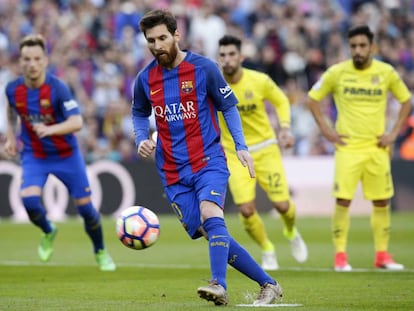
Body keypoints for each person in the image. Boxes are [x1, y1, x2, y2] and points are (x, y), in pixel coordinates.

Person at [132, 9, 283, 306]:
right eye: (151, 41)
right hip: (172, 172)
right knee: (210, 230)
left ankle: (218, 285)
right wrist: (141, 139)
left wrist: (241, 146)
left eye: (163, 38)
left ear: (177, 35)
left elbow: (228, 106)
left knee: (211, 214)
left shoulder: (204, 68)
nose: (157, 45)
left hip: (208, 160)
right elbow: (138, 112)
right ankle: (268, 283)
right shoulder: (145, 78)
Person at [4, 34, 116, 271]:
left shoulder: (57, 88)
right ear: (20, 61)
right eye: (26, 59)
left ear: (45, 60)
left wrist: (50, 129)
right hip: (35, 155)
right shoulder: (13, 89)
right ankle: (48, 230)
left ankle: (101, 251)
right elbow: (11, 109)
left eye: (36, 58)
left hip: (66, 155)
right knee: (30, 201)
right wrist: (11, 138)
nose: (31, 64)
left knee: (86, 209)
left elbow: (76, 122)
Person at [306, 25, 411, 271]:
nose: (358, 50)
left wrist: (394, 133)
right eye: (353, 46)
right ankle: (340, 256)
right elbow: (312, 100)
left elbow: (406, 101)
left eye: (362, 46)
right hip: (348, 147)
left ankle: (382, 255)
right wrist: (327, 131)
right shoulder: (337, 72)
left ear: (372, 47)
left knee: (382, 201)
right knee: (343, 200)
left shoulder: (385, 72)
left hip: (376, 148)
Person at [217, 35, 308, 270]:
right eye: (222, 55)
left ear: (241, 57)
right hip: (235, 153)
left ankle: (291, 231)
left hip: (266, 149)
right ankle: (267, 249)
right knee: (246, 210)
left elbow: (281, 101)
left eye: (231, 54)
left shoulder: (259, 80)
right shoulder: (213, 85)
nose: (227, 60)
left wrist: (285, 127)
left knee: (283, 206)